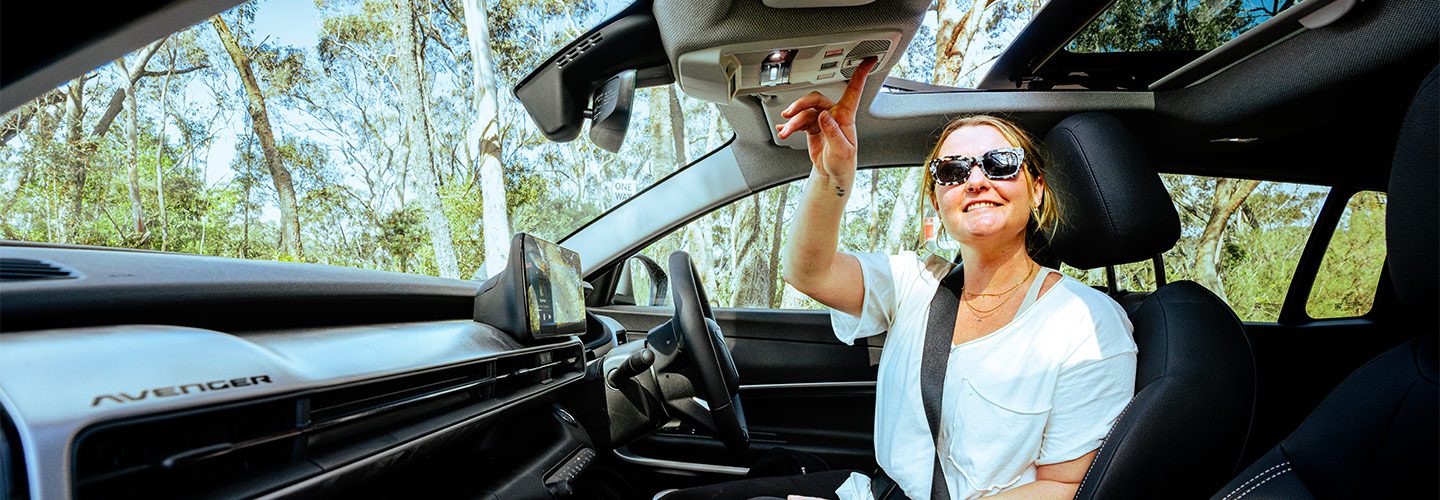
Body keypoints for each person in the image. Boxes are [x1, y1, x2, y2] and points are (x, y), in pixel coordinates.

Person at [667, 59, 1136, 500]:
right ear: (938, 202)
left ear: (1035, 190)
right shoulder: (916, 281)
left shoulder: (1088, 326)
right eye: (952, 171)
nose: (976, 180)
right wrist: (831, 177)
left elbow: (1064, 488)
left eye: (1000, 163)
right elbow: (808, 272)